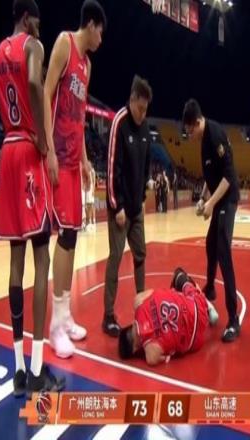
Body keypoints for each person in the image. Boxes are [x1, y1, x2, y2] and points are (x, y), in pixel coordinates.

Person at [0, 0, 64, 396]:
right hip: (28, 153)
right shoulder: (32, 46)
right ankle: (38, 371)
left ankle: (18, 369)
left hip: (6, 151)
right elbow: (36, 84)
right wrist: (43, 141)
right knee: (43, 259)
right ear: (26, 17)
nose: (40, 26)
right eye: (37, 20)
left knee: (16, 262)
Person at [44, 0, 106, 358]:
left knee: (71, 235)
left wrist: (83, 161)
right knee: (62, 238)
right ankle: (54, 326)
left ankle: (65, 316)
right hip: (55, 159)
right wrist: (49, 151)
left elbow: (80, 118)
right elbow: (45, 92)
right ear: (92, 25)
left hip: (72, 163)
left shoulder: (88, 66)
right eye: (101, 33)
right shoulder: (64, 44)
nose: (101, 40)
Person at [182, 99, 240, 342]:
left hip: (228, 198)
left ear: (198, 123)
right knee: (210, 244)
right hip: (217, 199)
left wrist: (211, 204)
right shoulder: (202, 141)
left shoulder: (215, 135)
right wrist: (202, 198)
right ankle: (211, 287)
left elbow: (228, 177)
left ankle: (233, 320)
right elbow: (211, 176)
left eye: (190, 131)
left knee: (223, 251)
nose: (189, 136)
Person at [103, 76, 152, 337]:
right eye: (140, 108)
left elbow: (146, 166)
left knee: (140, 254)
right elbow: (112, 167)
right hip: (120, 210)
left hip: (136, 208)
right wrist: (117, 205)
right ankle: (108, 315)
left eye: (146, 110)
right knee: (115, 257)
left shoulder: (145, 129)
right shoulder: (119, 122)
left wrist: (142, 197)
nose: (142, 114)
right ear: (132, 100)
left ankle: (142, 306)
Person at [118, 268, 218, 365]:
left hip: (195, 340)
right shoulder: (139, 301)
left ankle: (204, 306)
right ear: (131, 324)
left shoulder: (151, 354)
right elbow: (155, 293)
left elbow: (163, 357)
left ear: (135, 349)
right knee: (178, 275)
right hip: (197, 305)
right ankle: (206, 304)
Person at [85, 164, 97, 231]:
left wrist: (93, 190)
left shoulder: (92, 171)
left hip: (91, 188)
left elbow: (94, 181)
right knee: (88, 205)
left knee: (92, 205)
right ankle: (89, 221)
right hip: (87, 189)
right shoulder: (87, 170)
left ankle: (93, 220)